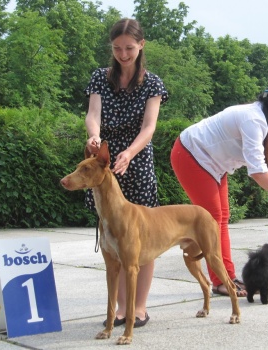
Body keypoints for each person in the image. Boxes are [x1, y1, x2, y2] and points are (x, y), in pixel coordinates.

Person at [170, 84, 268, 297]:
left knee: (222, 218)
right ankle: (221, 280)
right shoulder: (255, 120)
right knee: (212, 220)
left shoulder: (260, 117)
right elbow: (258, 172)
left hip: (212, 163)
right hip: (191, 154)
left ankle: (226, 276)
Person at [84, 18, 168, 326]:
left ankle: (139, 308)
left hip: (136, 163)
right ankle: (121, 308)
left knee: (142, 242)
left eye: (129, 48)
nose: (123, 54)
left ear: (141, 45)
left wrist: (130, 153)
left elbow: (150, 127)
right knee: (113, 241)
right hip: (104, 164)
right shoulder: (99, 78)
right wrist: (94, 136)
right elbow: (93, 116)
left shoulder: (153, 83)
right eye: (117, 48)